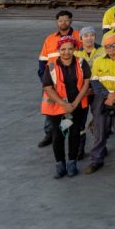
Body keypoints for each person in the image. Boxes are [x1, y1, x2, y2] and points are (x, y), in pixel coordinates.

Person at [41, 35, 90, 178]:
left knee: (74, 134)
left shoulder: (81, 62)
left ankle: (72, 163)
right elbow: (48, 87)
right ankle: (60, 164)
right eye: (63, 49)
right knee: (59, 135)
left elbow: (86, 83)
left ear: (75, 49)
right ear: (58, 50)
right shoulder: (51, 65)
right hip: (57, 107)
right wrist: (64, 104)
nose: (66, 52)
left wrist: (75, 103)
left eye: (70, 49)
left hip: (76, 106)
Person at [85, 33, 115, 174]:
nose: (111, 48)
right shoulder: (98, 61)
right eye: (108, 46)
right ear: (104, 48)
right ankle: (96, 159)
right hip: (102, 100)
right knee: (100, 131)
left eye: (114, 45)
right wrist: (107, 95)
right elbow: (95, 81)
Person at [38, 10, 78, 148]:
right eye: (60, 21)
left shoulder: (78, 37)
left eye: (66, 20)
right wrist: (45, 80)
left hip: (72, 81)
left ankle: (71, 134)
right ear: (57, 22)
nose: (63, 23)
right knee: (50, 108)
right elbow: (42, 60)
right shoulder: (50, 39)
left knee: (72, 109)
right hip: (52, 82)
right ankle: (50, 133)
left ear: (71, 20)